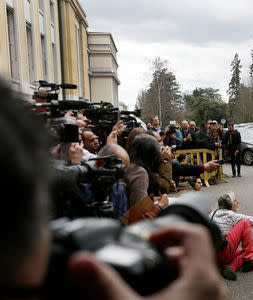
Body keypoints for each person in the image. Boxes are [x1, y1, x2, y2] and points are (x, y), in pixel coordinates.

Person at [0, 79, 228, 300]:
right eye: (79, 138)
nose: (119, 176)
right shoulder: (131, 175)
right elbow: (144, 203)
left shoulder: (119, 180)